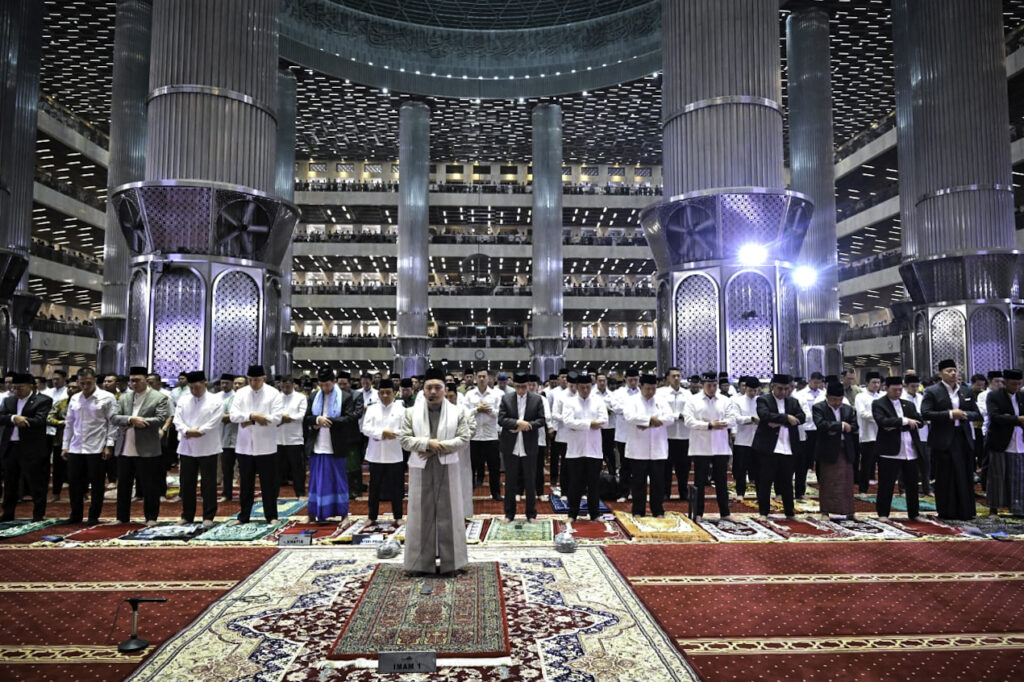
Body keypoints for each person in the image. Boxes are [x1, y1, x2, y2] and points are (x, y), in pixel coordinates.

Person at [399, 368, 470, 575]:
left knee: (450, 514)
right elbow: (404, 439)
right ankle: (419, 564)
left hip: (447, 467)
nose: (433, 392)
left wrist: (437, 447)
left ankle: (452, 564)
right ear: (422, 390)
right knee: (421, 515)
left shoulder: (457, 412)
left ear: (444, 389)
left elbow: (463, 439)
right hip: (421, 468)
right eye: (429, 387)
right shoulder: (411, 413)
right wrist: (427, 443)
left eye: (437, 387)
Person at [111, 366, 171, 526]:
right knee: (123, 486)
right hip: (125, 448)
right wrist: (130, 419)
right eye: (132, 380)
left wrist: (141, 421)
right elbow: (114, 417)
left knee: (150, 486)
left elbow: (160, 418)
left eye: (137, 380)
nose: (134, 383)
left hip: (147, 449)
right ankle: (121, 517)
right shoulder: (124, 398)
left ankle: (151, 518)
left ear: (146, 380)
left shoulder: (159, 397)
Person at [921, 359, 980, 520]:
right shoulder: (932, 391)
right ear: (940, 373)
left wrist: (964, 414)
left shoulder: (966, 391)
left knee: (964, 474)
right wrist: (949, 414)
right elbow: (925, 413)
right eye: (949, 371)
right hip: (943, 440)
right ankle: (947, 511)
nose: (953, 373)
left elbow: (977, 413)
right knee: (945, 476)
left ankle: (966, 511)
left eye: (955, 370)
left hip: (962, 437)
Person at [229, 365, 284, 524]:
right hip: (245, 446)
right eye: (251, 380)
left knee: (269, 484)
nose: (253, 383)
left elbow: (276, 418)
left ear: (264, 379)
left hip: (266, 446)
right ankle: (243, 516)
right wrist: (253, 416)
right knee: (246, 484)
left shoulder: (273, 394)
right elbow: (233, 416)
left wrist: (249, 421)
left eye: (256, 380)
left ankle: (272, 516)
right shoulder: (241, 393)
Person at [61, 369, 117, 525]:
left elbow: (112, 424)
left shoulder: (107, 397)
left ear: (94, 381)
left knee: (97, 484)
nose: (85, 386)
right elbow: (69, 424)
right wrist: (65, 446)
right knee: (75, 483)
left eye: (88, 383)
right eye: (82, 383)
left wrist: (109, 445)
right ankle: (75, 515)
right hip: (76, 447)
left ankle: (94, 516)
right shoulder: (74, 399)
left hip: (97, 447)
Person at [304, 368, 359, 523]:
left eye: (327, 385)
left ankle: (343, 515)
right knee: (315, 482)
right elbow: (307, 417)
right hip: (317, 446)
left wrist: (327, 421)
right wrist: (316, 421)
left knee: (339, 481)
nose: (325, 388)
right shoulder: (314, 396)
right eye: (322, 385)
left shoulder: (345, 397)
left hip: (336, 446)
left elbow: (349, 419)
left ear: (334, 382)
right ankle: (313, 514)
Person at [683, 372, 738, 520]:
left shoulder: (725, 400)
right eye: (709, 385)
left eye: (715, 385)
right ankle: (698, 513)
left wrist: (722, 423)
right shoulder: (692, 401)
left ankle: (725, 513)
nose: (712, 388)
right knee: (699, 482)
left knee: (721, 481)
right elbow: (689, 421)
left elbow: (733, 419)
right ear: (702, 385)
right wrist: (708, 425)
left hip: (720, 446)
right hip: (700, 446)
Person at [0, 373, 54, 521]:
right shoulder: (9, 401)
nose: (16, 391)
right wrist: (13, 418)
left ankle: (38, 514)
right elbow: (1, 417)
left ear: (31, 386)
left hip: (32, 448)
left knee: (36, 482)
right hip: (11, 446)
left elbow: (40, 420)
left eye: (20, 388)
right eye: (14, 388)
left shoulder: (42, 400)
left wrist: (25, 421)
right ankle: (8, 513)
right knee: (10, 482)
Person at [173, 371, 223, 527]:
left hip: (208, 446)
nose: (194, 391)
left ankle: (208, 516)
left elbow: (215, 421)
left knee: (208, 484)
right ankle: (187, 515)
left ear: (205, 383)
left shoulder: (215, 400)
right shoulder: (183, 400)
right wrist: (187, 431)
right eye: (191, 387)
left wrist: (199, 431)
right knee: (187, 483)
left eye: (197, 387)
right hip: (187, 447)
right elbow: (177, 419)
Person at [753, 373, 805, 520]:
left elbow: (802, 417)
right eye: (780, 389)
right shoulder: (763, 399)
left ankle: (790, 512)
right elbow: (764, 415)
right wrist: (787, 418)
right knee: (765, 481)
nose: (783, 392)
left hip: (788, 446)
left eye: (786, 389)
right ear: (772, 387)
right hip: (768, 447)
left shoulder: (793, 402)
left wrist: (780, 420)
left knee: (787, 482)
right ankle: (764, 512)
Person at [622, 374, 675, 517]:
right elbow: (629, 417)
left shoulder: (661, 401)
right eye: (647, 389)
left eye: (653, 389)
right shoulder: (631, 401)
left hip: (658, 448)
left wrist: (650, 422)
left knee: (658, 481)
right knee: (638, 481)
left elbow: (670, 418)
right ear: (640, 387)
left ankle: (657, 510)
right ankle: (638, 510)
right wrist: (649, 420)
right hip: (638, 448)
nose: (651, 392)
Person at [871, 376, 923, 520]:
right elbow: (882, 422)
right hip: (890, 451)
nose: (898, 392)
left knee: (912, 484)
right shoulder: (879, 403)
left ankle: (914, 513)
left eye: (900, 390)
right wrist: (905, 421)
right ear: (886, 388)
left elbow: (920, 422)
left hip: (910, 449)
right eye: (894, 390)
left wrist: (895, 425)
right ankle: (883, 513)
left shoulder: (908, 404)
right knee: (886, 484)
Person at [497, 373, 547, 522]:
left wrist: (528, 425)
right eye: (518, 387)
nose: (520, 390)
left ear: (528, 385)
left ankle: (531, 514)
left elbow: (542, 420)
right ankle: (509, 514)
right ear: (514, 386)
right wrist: (518, 423)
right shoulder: (506, 399)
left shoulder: (537, 399)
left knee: (530, 481)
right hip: (511, 445)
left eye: (523, 387)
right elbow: (501, 419)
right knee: (510, 481)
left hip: (529, 445)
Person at [561, 373, 606, 522]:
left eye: (588, 387)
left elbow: (604, 420)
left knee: (594, 484)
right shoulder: (569, 402)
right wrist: (589, 424)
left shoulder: (598, 401)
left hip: (594, 450)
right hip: (575, 450)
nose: (585, 390)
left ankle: (594, 514)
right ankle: (572, 514)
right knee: (575, 484)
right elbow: (568, 421)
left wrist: (580, 424)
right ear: (577, 387)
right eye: (582, 388)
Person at [361, 379, 406, 524]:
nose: (385, 395)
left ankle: (398, 516)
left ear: (394, 393)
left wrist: (392, 433)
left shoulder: (401, 410)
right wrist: (382, 433)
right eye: (382, 393)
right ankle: (372, 516)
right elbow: (365, 428)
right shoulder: (372, 409)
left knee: (396, 488)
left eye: (388, 392)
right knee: (374, 488)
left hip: (394, 455)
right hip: (376, 454)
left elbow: (406, 430)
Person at [813, 382, 859, 519]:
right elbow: (821, 424)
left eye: (839, 399)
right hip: (828, 450)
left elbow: (855, 426)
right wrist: (840, 426)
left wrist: (838, 428)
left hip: (846, 449)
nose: (837, 402)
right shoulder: (819, 408)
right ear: (827, 397)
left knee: (847, 481)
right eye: (833, 399)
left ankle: (849, 511)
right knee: (828, 481)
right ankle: (825, 511)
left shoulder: (847, 409)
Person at [982, 368, 1024, 516]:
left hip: (1019, 441)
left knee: (1018, 476)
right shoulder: (994, 396)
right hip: (1000, 442)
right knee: (997, 476)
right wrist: (1017, 419)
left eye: (1019, 384)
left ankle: (1017, 507)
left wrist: (1012, 419)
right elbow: (995, 416)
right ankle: (994, 508)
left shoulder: (1021, 396)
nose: (1017, 387)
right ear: (1005, 383)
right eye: (1014, 384)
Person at [464, 369, 503, 500]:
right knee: (471, 467)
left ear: (489, 379)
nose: (481, 379)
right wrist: (477, 409)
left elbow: (501, 413)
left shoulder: (496, 395)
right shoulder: (469, 395)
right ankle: (468, 492)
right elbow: (464, 414)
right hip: (474, 436)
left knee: (494, 468)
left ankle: (496, 493)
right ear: (476, 378)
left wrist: (489, 410)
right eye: (479, 376)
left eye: (484, 377)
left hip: (491, 436)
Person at [657, 367, 692, 501]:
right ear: (667, 378)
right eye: (673, 376)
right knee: (666, 466)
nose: (676, 378)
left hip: (684, 435)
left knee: (684, 466)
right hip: (666, 434)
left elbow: (691, 411)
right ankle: (665, 492)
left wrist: (685, 416)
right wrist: (677, 416)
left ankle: (683, 491)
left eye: (678, 376)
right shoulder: (660, 394)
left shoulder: (688, 394)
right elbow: (659, 411)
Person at [608, 368, 641, 500]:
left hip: (639, 434)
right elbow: (616, 408)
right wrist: (633, 409)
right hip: (623, 434)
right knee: (625, 466)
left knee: (639, 466)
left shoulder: (642, 392)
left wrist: (629, 409)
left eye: (636, 380)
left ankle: (637, 492)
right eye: (631, 380)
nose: (633, 382)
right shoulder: (618, 393)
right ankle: (624, 492)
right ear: (626, 380)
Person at [445, 382, 476, 519]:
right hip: (443, 452)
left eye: (451, 397)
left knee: (462, 482)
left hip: (461, 453)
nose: (449, 400)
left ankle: (462, 514)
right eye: (446, 397)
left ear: (457, 397)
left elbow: (472, 429)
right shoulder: (437, 412)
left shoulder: (465, 411)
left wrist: (457, 438)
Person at [46, 376, 79, 502]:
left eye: (74, 387)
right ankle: (56, 493)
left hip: (79, 440)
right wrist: (61, 422)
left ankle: (83, 493)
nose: (71, 390)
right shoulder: (61, 403)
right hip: (60, 440)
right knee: (58, 469)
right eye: (69, 387)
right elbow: (49, 418)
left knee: (79, 469)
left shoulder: (85, 402)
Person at [794, 372, 826, 499]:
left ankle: (823, 488)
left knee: (820, 461)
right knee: (802, 462)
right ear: (809, 380)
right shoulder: (800, 395)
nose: (817, 385)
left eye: (819, 382)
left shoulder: (824, 394)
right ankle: (799, 490)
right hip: (805, 430)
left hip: (820, 430)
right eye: (815, 382)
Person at [276, 376, 308, 499]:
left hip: (295, 439)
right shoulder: (276, 398)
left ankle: (300, 493)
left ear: (293, 385)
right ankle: (274, 494)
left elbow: (301, 416)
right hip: (277, 439)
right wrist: (283, 418)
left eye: (288, 386)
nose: (285, 388)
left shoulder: (301, 398)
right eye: (283, 386)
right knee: (277, 469)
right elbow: (272, 415)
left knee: (297, 469)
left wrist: (286, 418)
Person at [730, 377, 761, 499]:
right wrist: (752, 419)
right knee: (741, 469)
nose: (752, 393)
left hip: (758, 440)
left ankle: (760, 493)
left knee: (759, 469)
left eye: (755, 390)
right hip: (742, 439)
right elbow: (737, 418)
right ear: (745, 389)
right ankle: (740, 493)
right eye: (750, 390)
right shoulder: (738, 401)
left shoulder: (761, 401)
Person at [902, 374, 932, 495]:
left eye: (917, 386)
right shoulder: (902, 398)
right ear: (906, 386)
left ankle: (927, 488)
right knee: (907, 463)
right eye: (912, 386)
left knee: (926, 462)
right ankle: (903, 488)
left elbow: (927, 414)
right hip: (908, 434)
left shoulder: (922, 397)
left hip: (923, 434)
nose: (915, 388)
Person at [854, 371, 883, 493]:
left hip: (882, 434)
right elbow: (862, 413)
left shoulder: (883, 396)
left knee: (883, 464)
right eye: (873, 382)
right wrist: (880, 417)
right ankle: (863, 488)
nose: (876, 385)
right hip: (867, 435)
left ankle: (882, 488)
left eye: (878, 382)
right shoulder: (861, 396)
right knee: (867, 463)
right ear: (867, 383)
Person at [218, 374, 241, 501]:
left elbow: (249, 417)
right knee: (227, 469)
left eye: (240, 384)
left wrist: (234, 416)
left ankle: (246, 494)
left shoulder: (248, 400)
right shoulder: (228, 400)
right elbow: (223, 418)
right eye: (236, 384)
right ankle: (227, 494)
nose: (238, 386)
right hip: (227, 439)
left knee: (245, 470)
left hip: (244, 441)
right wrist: (239, 417)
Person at [594, 373, 618, 479]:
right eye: (600, 380)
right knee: (598, 451)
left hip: (610, 426)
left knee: (610, 452)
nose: (602, 383)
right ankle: (597, 474)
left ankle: (612, 474)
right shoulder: (592, 394)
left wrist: (609, 409)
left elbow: (617, 408)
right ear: (596, 381)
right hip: (597, 427)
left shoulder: (612, 395)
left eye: (604, 380)